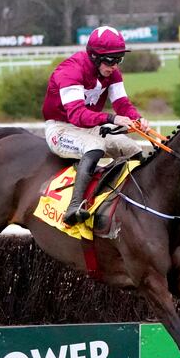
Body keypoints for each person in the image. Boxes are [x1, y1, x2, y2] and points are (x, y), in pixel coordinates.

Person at [42, 25, 149, 226]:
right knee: (95, 146)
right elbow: (76, 115)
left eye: (118, 60)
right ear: (94, 56)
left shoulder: (112, 73)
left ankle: (133, 202)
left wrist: (138, 119)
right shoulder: (70, 71)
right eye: (110, 60)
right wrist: (111, 119)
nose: (114, 66)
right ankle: (74, 207)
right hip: (61, 128)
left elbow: (122, 105)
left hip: (89, 127)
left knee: (133, 149)